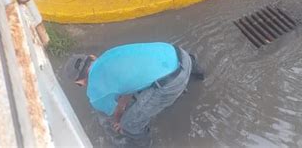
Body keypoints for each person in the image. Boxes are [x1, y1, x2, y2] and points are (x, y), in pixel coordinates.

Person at [64, 42, 205, 142]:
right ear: (93, 57)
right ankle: (199, 78)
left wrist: (120, 121)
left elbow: (115, 111)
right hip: (180, 54)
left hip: (172, 81)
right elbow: (128, 87)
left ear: (80, 82)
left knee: (129, 126)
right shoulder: (109, 54)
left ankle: (146, 143)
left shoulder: (95, 95)